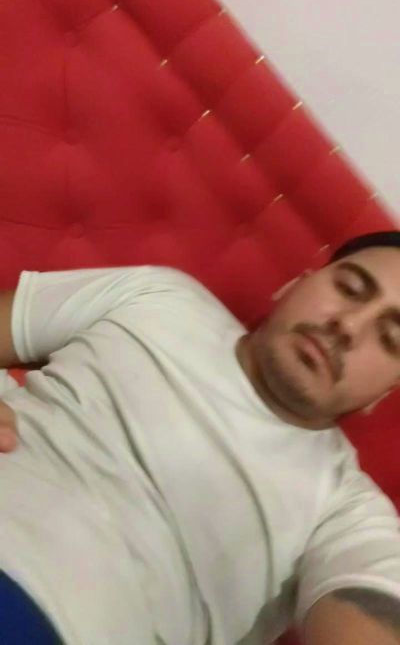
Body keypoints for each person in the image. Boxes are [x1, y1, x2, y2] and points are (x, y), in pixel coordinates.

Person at [0, 231, 399, 645]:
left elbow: (371, 609)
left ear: (384, 392)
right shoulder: (161, 296)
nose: (348, 325)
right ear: (297, 283)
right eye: (349, 288)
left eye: (390, 339)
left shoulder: (345, 508)